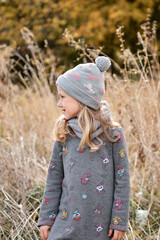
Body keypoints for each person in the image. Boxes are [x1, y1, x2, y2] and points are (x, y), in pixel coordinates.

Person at [37, 56, 130, 240]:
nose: (59, 104)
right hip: (65, 224)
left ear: (82, 99)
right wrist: (47, 218)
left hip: (101, 228)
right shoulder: (65, 133)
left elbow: (122, 181)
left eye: (63, 97)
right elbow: (54, 178)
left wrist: (119, 220)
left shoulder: (113, 134)